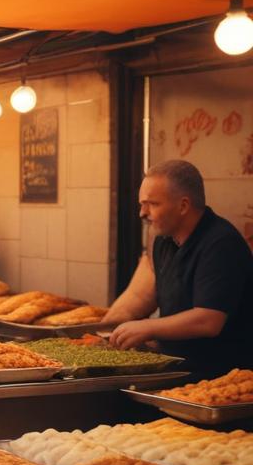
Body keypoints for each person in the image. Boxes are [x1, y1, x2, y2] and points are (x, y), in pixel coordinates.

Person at [104, 160, 253, 376]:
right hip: (175, 368)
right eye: (141, 204)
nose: (142, 213)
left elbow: (208, 320)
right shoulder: (163, 240)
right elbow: (152, 297)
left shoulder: (220, 243)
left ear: (183, 206)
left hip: (220, 377)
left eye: (152, 204)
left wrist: (147, 327)